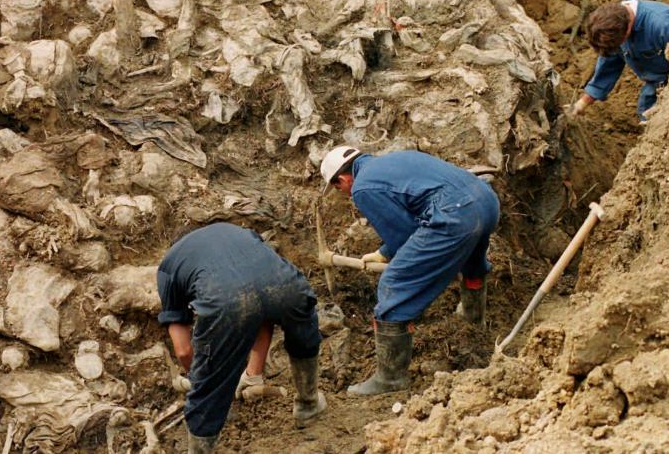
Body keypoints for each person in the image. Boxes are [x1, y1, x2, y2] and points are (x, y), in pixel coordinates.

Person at [319, 146, 499, 396]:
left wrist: (396, 256)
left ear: (342, 178)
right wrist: (384, 251)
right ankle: (474, 322)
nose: (345, 194)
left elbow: (405, 235)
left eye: (339, 189)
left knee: (393, 284)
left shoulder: (362, 188)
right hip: (487, 202)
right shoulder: (395, 159)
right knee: (472, 265)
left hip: (456, 216)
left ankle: (390, 378)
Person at [156, 222, 326, 453]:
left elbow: (184, 350)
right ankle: (308, 404)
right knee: (301, 330)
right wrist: (251, 374)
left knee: (208, 387)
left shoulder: (170, 266)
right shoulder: (236, 233)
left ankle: (199, 450)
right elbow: (261, 309)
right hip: (286, 285)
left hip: (226, 300)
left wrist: (203, 380)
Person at [571, 0, 669, 122]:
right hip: (655, 85)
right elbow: (608, 66)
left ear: (627, 30)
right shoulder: (613, 23)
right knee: (646, 116)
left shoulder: (666, 25)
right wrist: (582, 103)